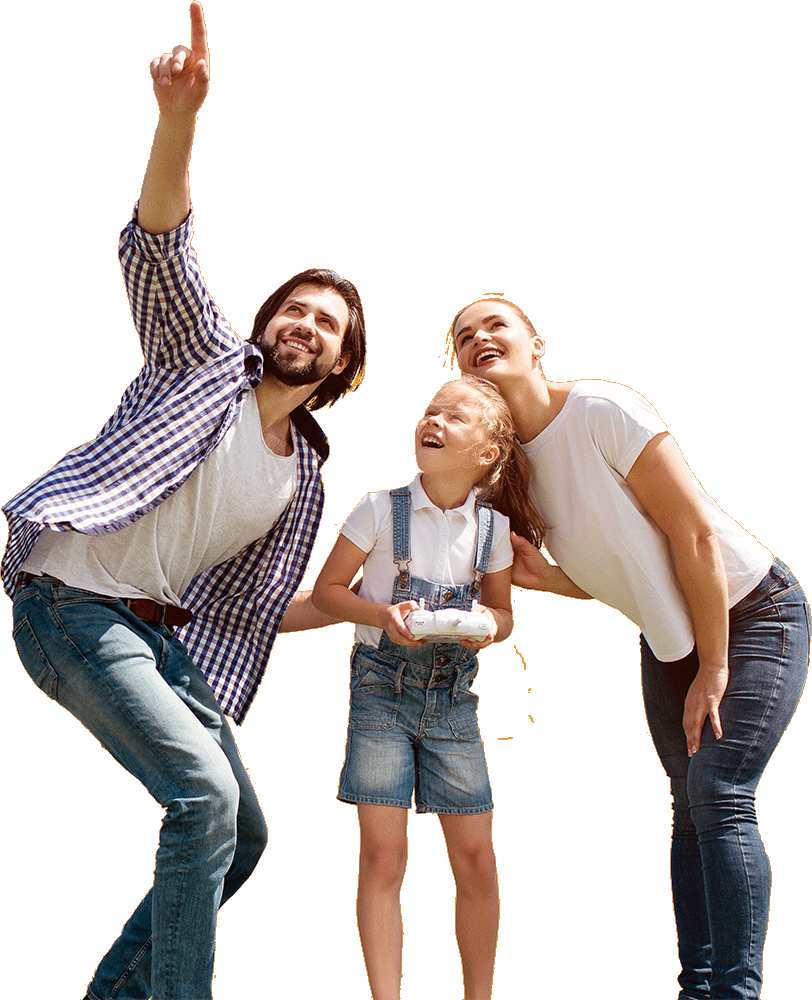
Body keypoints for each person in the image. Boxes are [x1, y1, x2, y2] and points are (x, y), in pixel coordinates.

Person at [3, 5, 365, 999]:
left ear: (341, 362)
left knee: (241, 832)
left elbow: (249, 611)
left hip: (163, 640)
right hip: (72, 604)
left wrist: (363, 606)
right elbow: (161, 244)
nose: (303, 324)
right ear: (266, 323)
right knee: (200, 795)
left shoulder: (302, 477)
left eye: (326, 323)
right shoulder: (203, 362)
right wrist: (178, 122)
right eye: (294, 306)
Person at [452, 300, 808, 1000]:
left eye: (495, 325)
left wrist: (714, 665)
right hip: (668, 635)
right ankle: (696, 989)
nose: (478, 339)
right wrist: (552, 580)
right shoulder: (514, 471)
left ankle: (736, 992)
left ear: (537, 344)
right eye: (463, 337)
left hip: (751, 614)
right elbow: (621, 562)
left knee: (719, 790)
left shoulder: (601, 409)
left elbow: (695, 535)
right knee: (687, 806)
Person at [312, 374, 544, 1000]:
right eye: (429, 412)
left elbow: (504, 615)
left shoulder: (492, 533)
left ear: (487, 455)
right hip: (381, 693)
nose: (432, 421)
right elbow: (331, 592)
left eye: (453, 417)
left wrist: (484, 630)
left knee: (476, 860)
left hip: (451, 703)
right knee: (383, 859)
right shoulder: (378, 510)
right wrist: (382, 615)